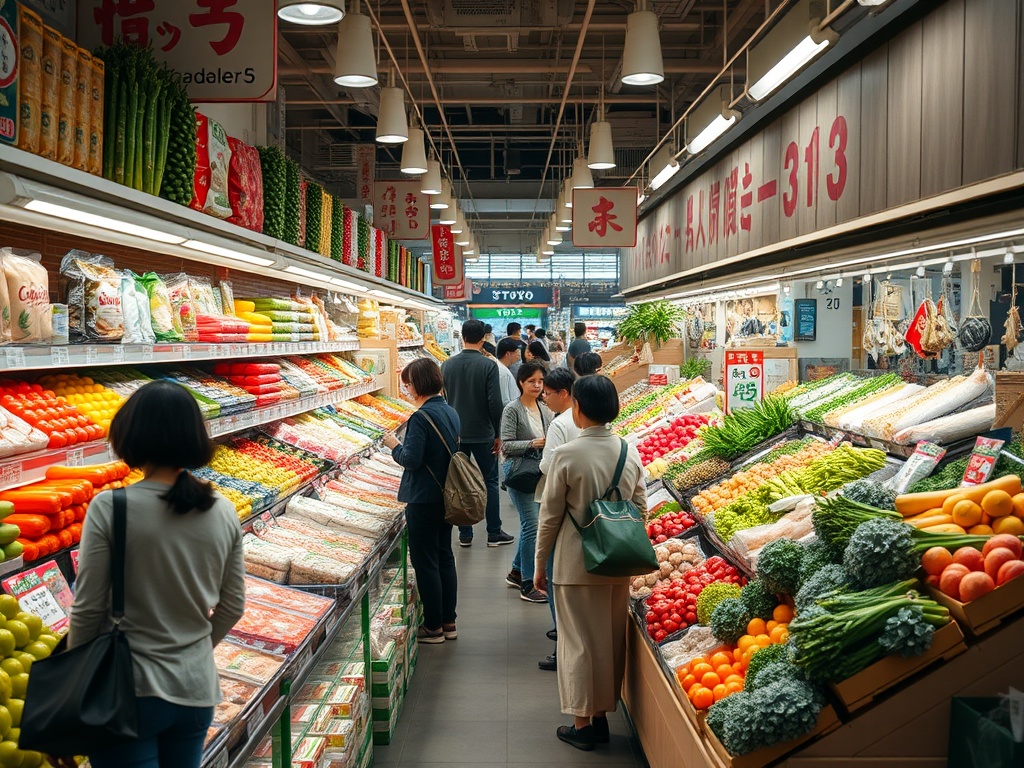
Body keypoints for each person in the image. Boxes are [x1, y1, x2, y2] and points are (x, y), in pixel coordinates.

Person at [69, 380, 246, 768]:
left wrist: (74, 690)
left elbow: (88, 609)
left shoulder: (110, 507)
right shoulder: (221, 509)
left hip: (128, 691)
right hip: (195, 692)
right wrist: (194, 648)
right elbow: (233, 605)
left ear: (129, 435)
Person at [535, 375, 645, 752]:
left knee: (577, 644)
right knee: (608, 641)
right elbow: (641, 508)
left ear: (578, 408)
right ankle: (601, 717)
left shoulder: (567, 455)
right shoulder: (628, 451)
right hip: (617, 563)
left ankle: (582, 725)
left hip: (574, 563)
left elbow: (549, 518)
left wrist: (539, 566)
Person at [383, 359, 461, 644]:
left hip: (423, 498)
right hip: (447, 495)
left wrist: (394, 446)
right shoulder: (450, 411)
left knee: (425, 561)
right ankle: (449, 621)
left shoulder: (420, 418)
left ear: (416, 385)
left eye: (407, 384)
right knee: (444, 557)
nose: (406, 389)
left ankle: (433, 627)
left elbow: (411, 460)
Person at [441, 319, 515, 548]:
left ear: (462, 337)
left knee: (460, 481)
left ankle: (465, 533)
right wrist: (498, 432)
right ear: (483, 338)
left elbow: (444, 399)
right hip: (484, 432)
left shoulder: (446, 365)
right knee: (490, 481)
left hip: (456, 434)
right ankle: (493, 532)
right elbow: (495, 402)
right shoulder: (488, 365)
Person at [535, 366, 579, 672]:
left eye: (547, 393)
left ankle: (562, 644)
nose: (544, 397)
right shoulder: (583, 420)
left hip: (561, 503)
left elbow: (549, 466)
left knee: (554, 577)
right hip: (585, 513)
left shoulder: (560, 424)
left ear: (563, 394)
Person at [500, 362, 552, 603]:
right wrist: (533, 444)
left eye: (540, 381)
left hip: (538, 473)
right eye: (532, 381)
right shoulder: (512, 409)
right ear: (521, 382)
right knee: (532, 525)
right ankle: (528, 584)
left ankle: (516, 570)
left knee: (530, 524)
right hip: (519, 473)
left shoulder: (544, 409)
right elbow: (507, 445)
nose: (537, 385)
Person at [495, 336, 522, 406]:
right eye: (516, 352)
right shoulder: (502, 372)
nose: (518, 355)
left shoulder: (502, 368)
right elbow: (505, 399)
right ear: (508, 354)